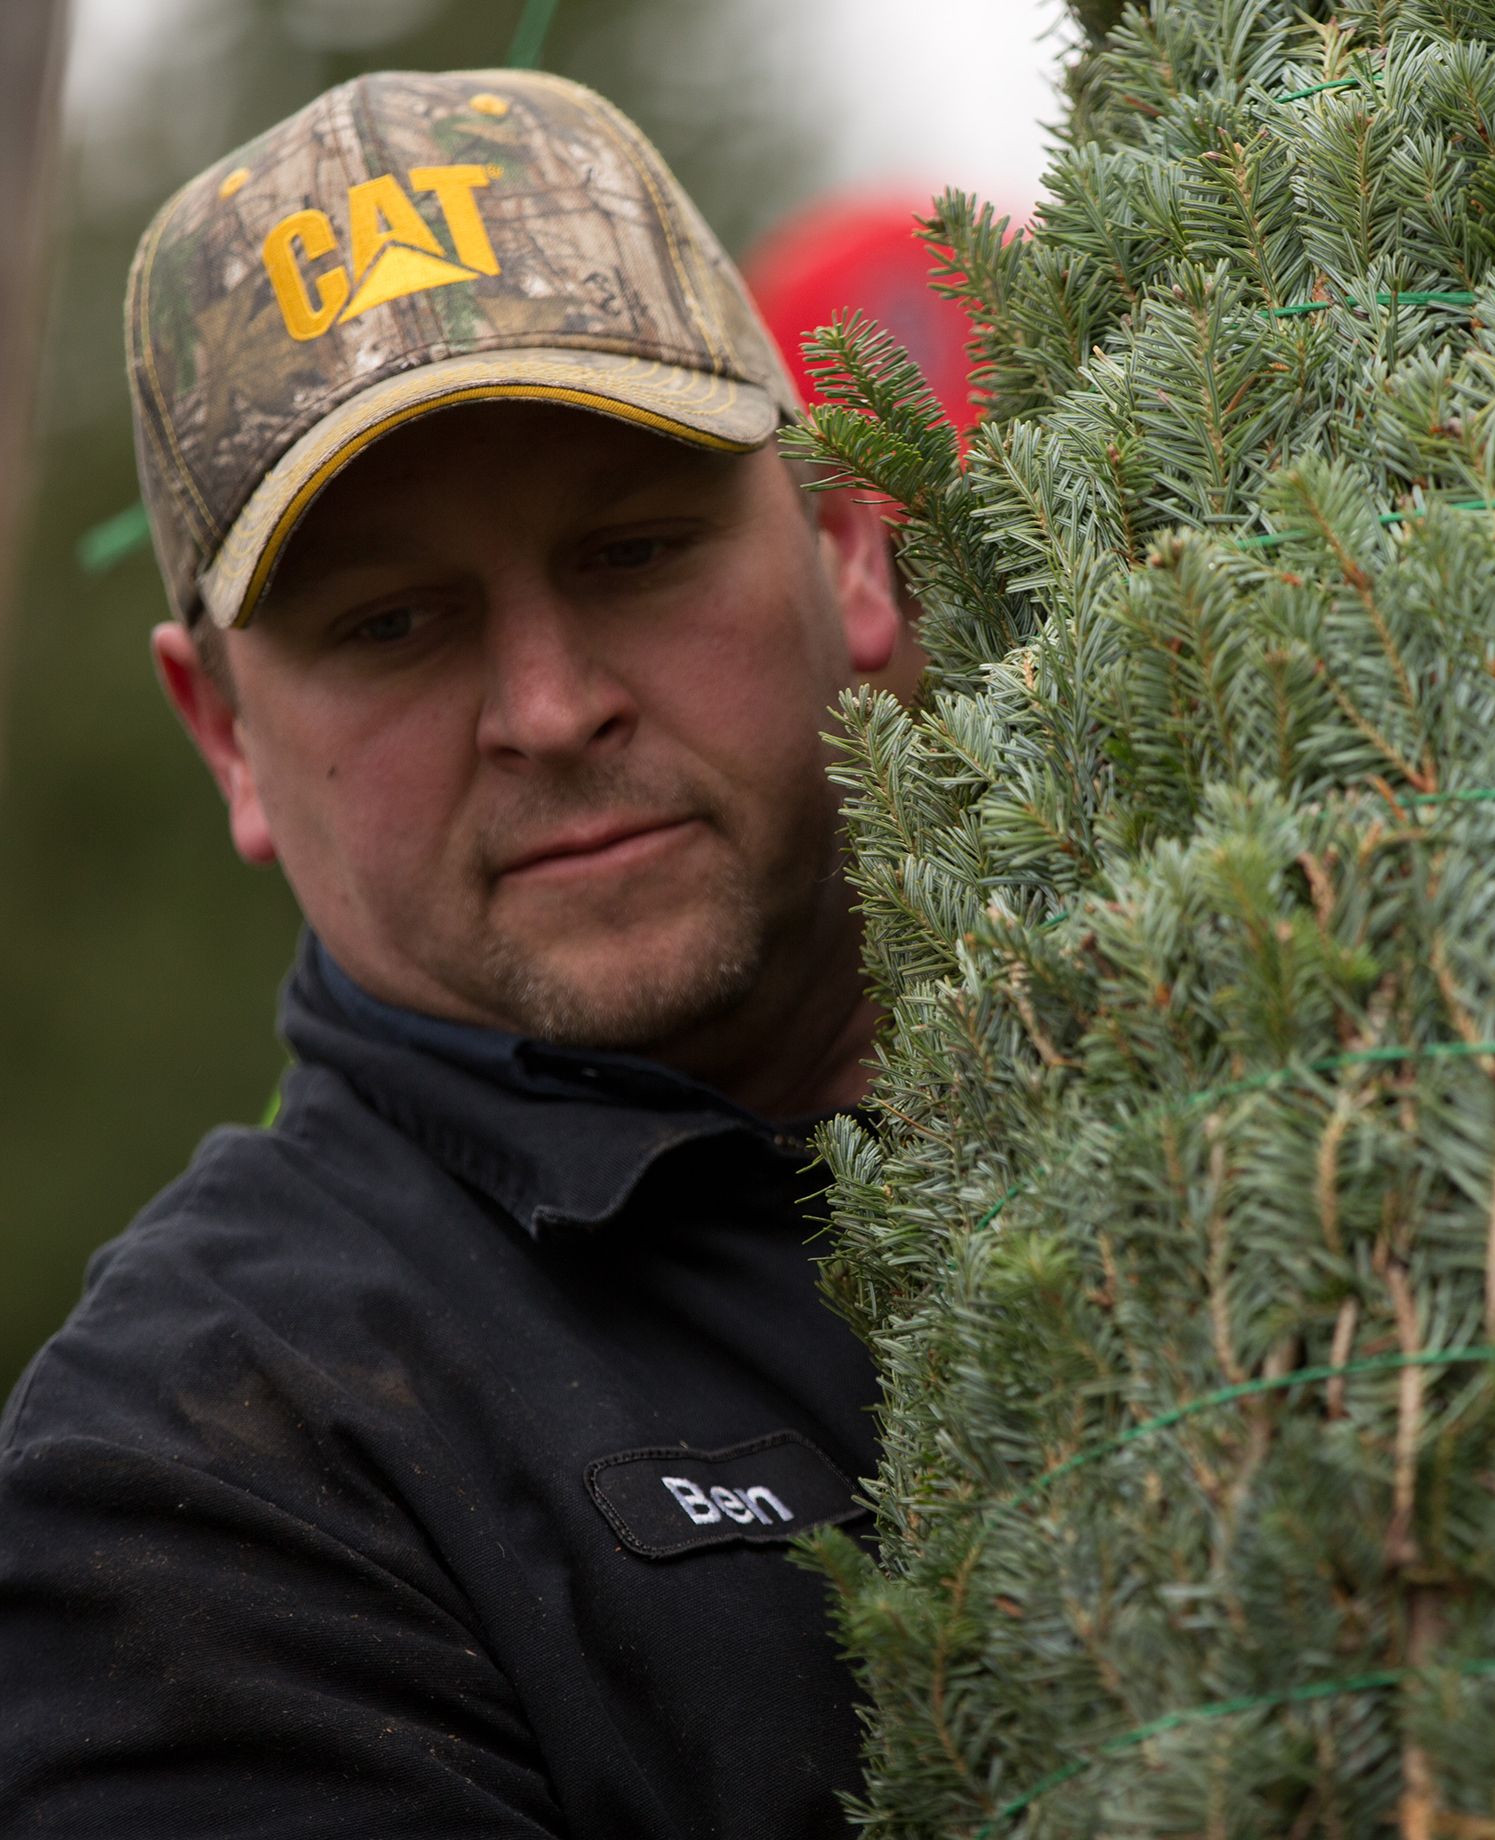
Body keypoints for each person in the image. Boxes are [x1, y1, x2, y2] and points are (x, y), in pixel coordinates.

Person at [0, 68, 924, 1836]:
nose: (550, 709)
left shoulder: (1239, 1013)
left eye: (633, 550)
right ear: (225, 737)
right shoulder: (200, 1470)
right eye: (391, 623)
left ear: (844, 551)